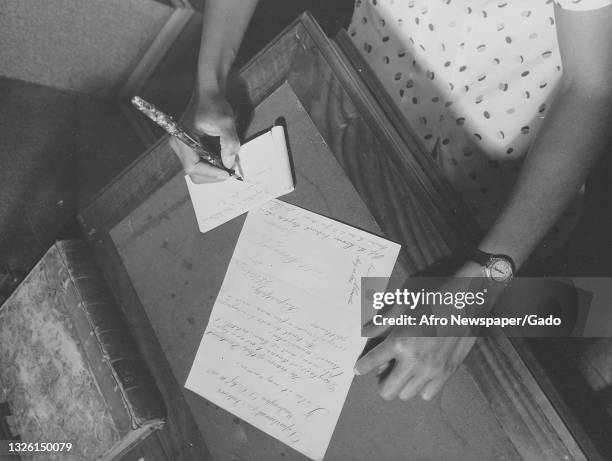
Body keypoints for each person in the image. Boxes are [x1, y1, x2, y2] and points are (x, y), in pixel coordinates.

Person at [170, 0, 612, 402]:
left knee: (495, 391)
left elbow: (591, 88)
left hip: (502, 216)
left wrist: (479, 289)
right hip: (352, 119)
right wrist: (210, 79)